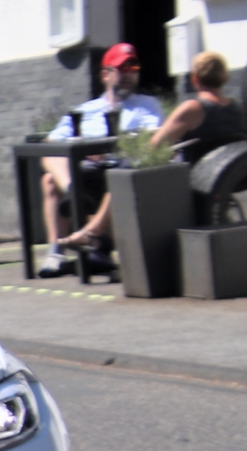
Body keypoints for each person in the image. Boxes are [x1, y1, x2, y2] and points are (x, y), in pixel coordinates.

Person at [55, 52, 246, 255]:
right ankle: (97, 239)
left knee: (124, 171)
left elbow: (156, 145)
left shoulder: (193, 108)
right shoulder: (235, 108)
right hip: (229, 176)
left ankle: (94, 232)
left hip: (190, 177)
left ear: (195, 79)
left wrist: (131, 154)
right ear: (225, 77)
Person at [37, 41, 162, 277]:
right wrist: (84, 148)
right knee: (49, 177)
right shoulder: (85, 110)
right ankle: (56, 250)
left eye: (132, 69)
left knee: (119, 174)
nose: (127, 75)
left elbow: (150, 141)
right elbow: (51, 143)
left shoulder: (148, 106)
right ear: (105, 74)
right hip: (86, 172)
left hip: (119, 169)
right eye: (121, 69)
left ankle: (81, 216)